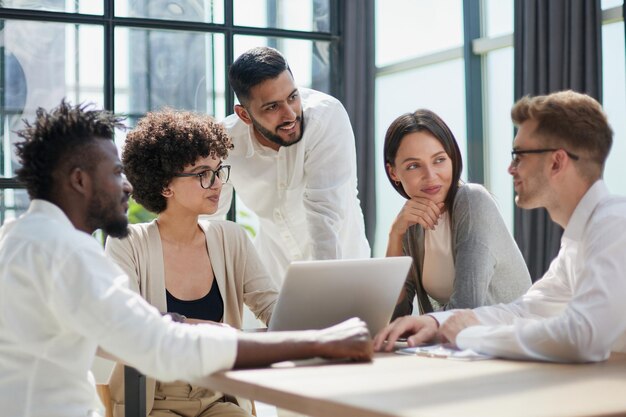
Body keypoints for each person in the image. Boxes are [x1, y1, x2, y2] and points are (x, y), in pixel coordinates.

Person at [0, 100, 373, 417]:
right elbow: (159, 344)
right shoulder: (64, 252)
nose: (126, 185)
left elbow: (121, 337)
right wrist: (317, 342)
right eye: (115, 173)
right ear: (79, 180)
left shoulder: (20, 238)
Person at [374, 90, 626, 363]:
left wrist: (469, 335)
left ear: (556, 162)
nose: (510, 168)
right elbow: (525, 311)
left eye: (519, 155)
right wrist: (437, 322)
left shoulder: (615, 224)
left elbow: (582, 337)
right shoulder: (577, 243)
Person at [104, 109, 281, 417]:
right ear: (165, 186)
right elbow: (128, 322)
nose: (216, 183)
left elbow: (272, 307)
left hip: (217, 395)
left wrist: (320, 327)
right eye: (202, 174)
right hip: (152, 400)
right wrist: (206, 329)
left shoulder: (231, 237)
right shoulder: (127, 242)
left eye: (218, 170)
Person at [214, 46, 370, 282]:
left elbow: (324, 216)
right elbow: (210, 217)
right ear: (244, 115)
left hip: (345, 273)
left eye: (292, 97)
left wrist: (329, 295)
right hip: (275, 280)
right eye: (272, 107)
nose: (290, 115)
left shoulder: (325, 117)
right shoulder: (226, 141)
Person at [383, 109, 530, 317]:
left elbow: (467, 307)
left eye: (439, 160)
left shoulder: (472, 200)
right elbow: (395, 314)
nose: (431, 176)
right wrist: (394, 234)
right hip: (460, 344)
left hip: (510, 341)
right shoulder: (411, 221)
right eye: (414, 165)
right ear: (393, 172)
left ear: (452, 158)